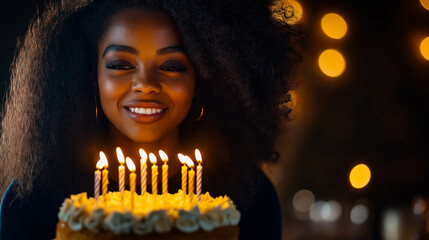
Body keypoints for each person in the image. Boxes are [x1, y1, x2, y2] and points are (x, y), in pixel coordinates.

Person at [0, 0, 302, 239]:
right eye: (120, 64)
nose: (145, 84)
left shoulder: (250, 198)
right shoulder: (31, 201)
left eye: (171, 66)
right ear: (92, 78)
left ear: (204, 79)